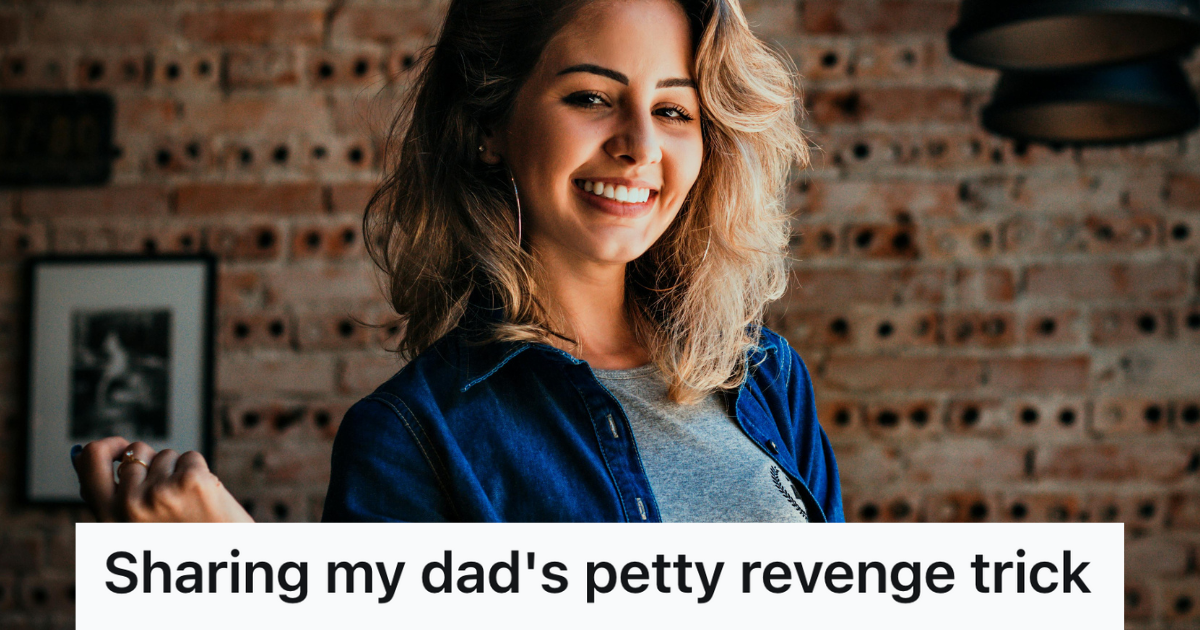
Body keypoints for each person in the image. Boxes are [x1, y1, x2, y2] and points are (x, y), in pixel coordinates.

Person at [71, 0, 843, 524]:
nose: (640, 144)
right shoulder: (412, 436)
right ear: (490, 126)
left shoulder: (767, 377)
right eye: (590, 97)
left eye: (675, 110)